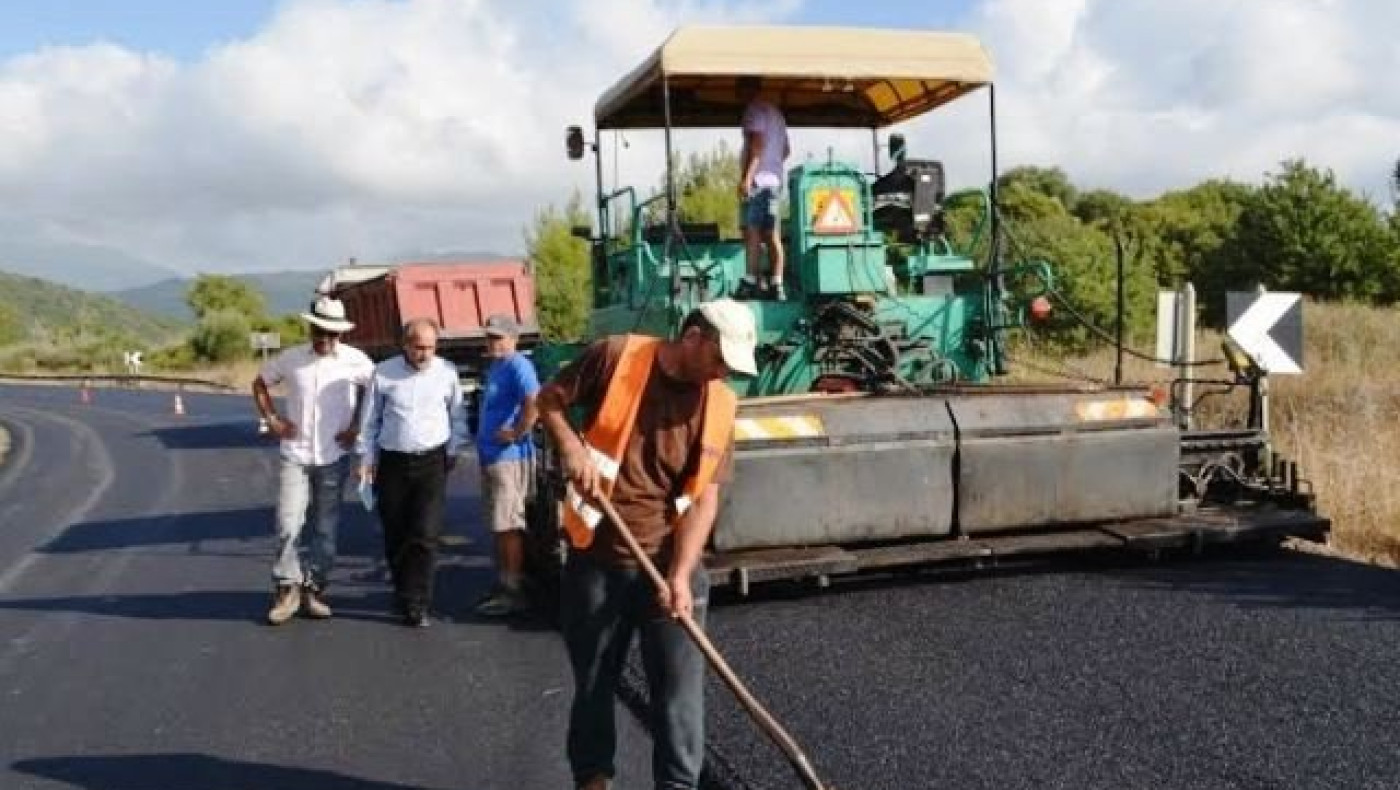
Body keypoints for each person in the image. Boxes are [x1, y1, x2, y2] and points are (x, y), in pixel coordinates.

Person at [537, 298, 758, 790]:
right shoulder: (616, 357)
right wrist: (571, 447)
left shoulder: (720, 402)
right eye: (719, 360)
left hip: (669, 564)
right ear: (694, 337)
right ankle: (593, 781)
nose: (723, 373)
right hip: (597, 560)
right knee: (595, 684)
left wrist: (680, 574)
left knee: (679, 699)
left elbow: (705, 499)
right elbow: (548, 399)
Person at [251, 296, 374, 626]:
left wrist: (357, 427)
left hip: (333, 457)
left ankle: (315, 588)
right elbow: (260, 382)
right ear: (310, 328)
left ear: (341, 335)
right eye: (320, 331)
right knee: (288, 523)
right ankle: (286, 587)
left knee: (325, 528)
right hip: (296, 455)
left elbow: (372, 391)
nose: (325, 339)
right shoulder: (291, 359)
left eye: (332, 334)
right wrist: (273, 420)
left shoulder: (356, 361)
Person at [357, 318, 469, 627]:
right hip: (392, 462)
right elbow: (369, 421)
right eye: (419, 347)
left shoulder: (446, 372)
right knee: (396, 532)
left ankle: (417, 603)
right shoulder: (384, 373)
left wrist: (454, 448)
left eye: (431, 347)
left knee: (425, 533)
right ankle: (402, 590)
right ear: (405, 345)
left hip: (432, 461)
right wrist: (366, 459)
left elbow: (457, 413)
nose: (425, 354)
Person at [472, 314, 541, 618]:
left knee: (509, 524)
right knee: (499, 525)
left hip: (508, 459)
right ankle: (505, 582)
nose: (493, 342)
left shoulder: (518, 365)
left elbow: (534, 400)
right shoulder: (497, 366)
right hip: (493, 457)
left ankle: (513, 590)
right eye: (490, 337)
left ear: (514, 339)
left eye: (499, 337)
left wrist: (516, 432)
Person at [736, 75, 791, 301]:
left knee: (753, 232)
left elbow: (757, 145)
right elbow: (787, 150)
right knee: (773, 235)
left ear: (748, 90)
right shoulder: (776, 114)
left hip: (759, 182)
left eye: (739, 90)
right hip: (775, 183)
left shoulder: (754, 111)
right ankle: (777, 284)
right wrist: (774, 166)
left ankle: (750, 281)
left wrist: (748, 178)